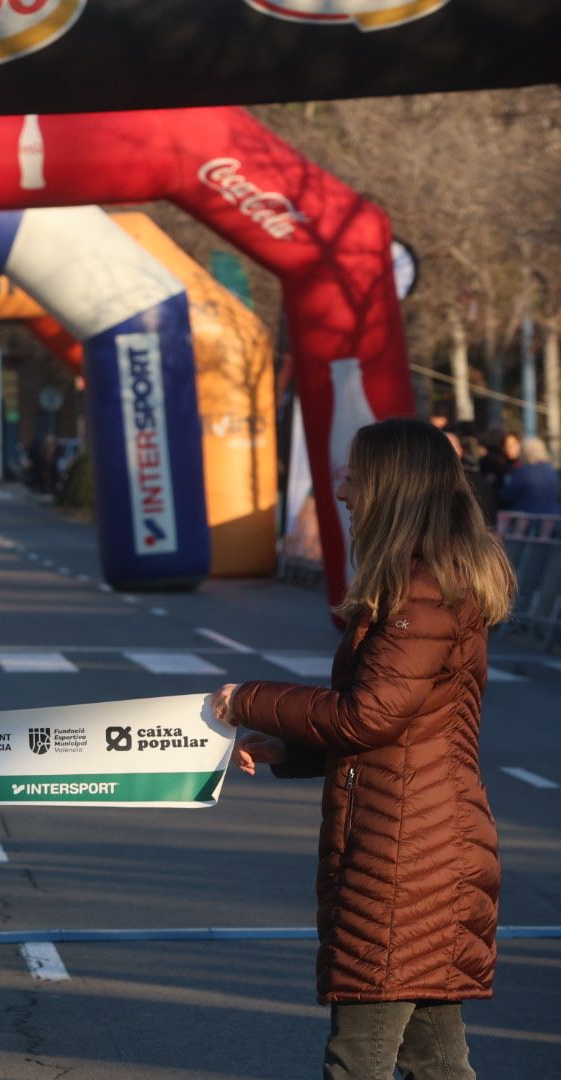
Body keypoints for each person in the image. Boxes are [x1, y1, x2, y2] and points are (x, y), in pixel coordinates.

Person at [211, 418, 509, 1080]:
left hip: (406, 860)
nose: (343, 491)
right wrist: (289, 749)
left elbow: (369, 714)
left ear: (393, 487)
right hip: (418, 848)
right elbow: (402, 725)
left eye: (356, 476)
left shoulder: (425, 591)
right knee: (435, 1063)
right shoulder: (429, 582)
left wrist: (246, 699)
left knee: (358, 1062)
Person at [496, 435, 561, 517]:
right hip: (553, 519)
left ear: (525, 452)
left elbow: (504, 496)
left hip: (528, 520)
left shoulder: (523, 472)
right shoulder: (551, 471)